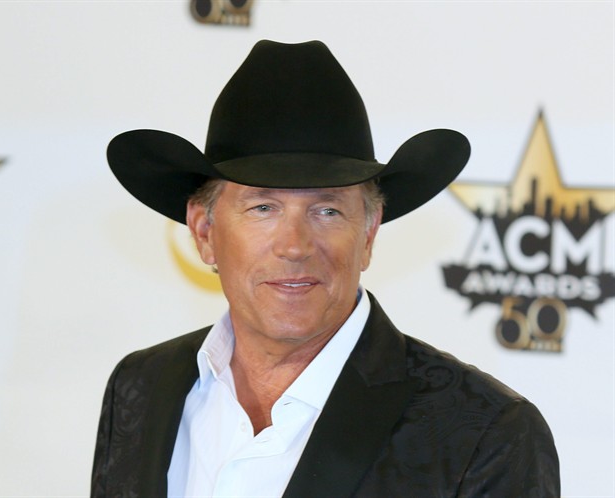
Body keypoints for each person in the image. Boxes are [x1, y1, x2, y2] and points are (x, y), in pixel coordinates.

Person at [91, 40, 560, 497]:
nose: (295, 246)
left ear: (369, 233)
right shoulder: (140, 387)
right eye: (262, 208)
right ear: (204, 232)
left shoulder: (485, 435)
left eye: (327, 211)